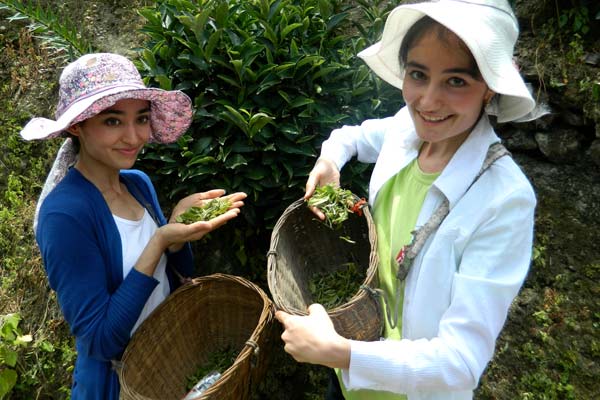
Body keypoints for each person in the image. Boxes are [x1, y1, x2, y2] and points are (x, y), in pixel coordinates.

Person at [274, 1, 538, 399]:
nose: (428, 102)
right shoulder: (406, 129)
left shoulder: (504, 200)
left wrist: (338, 352)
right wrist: (330, 160)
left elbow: (461, 362)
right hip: (350, 373)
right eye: (418, 74)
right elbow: (353, 136)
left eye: (456, 81)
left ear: (489, 89)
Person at [19, 53, 247, 400]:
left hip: (169, 370)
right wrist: (157, 242)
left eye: (141, 119)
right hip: (117, 386)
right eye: (113, 121)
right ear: (77, 126)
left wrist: (176, 235)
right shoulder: (65, 215)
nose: (133, 136)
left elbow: (174, 277)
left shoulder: (138, 184)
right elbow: (99, 339)